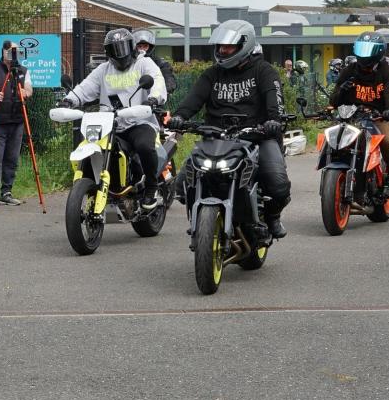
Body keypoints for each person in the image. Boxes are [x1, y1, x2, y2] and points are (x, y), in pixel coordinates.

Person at [168, 20, 292, 238]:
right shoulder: (211, 74)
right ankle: (201, 217)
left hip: (257, 137)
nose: (222, 51)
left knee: (277, 183)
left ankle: (272, 217)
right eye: (220, 47)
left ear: (244, 45)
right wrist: (179, 116)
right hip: (216, 138)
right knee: (181, 184)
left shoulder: (264, 71)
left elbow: (275, 102)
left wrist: (274, 121)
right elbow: (193, 100)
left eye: (228, 47)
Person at [61, 29, 167, 210]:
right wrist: (69, 99)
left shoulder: (144, 64)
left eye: (122, 47)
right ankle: (95, 184)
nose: (119, 54)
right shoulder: (103, 69)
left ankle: (151, 187)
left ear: (131, 47)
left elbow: (158, 81)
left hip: (139, 121)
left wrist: (154, 98)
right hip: (109, 123)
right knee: (92, 146)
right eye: (114, 50)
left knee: (144, 146)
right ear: (108, 52)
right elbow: (86, 87)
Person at [330, 33, 389, 196]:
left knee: (388, 142)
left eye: (368, 49)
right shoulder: (349, 70)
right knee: (334, 140)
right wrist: (342, 90)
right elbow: (333, 100)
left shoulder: (388, 72)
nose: (364, 53)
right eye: (361, 48)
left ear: (379, 51)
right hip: (351, 116)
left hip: (378, 117)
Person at [0, 40, 33, 208]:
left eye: (16, 51)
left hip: (17, 121)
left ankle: (7, 192)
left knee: (12, 159)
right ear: (4, 52)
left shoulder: (23, 71)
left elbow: (29, 89)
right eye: (11, 51)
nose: (14, 54)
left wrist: (25, 92)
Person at [132, 28, 177, 94]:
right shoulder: (130, 63)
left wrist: (166, 88)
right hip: (133, 97)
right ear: (135, 47)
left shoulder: (159, 63)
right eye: (139, 46)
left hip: (153, 99)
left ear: (150, 47)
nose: (142, 49)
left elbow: (168, 76)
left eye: (145, 46)